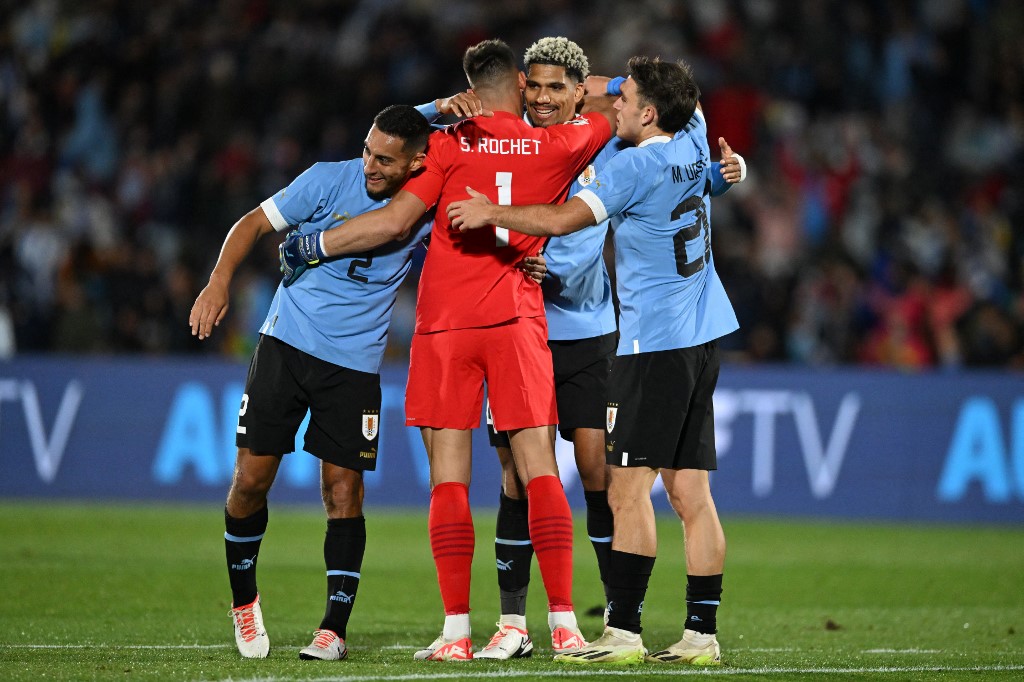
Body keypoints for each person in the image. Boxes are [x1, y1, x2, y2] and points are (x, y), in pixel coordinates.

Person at [279, 39, 616, 661]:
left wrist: (314, 246)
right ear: (521, 82)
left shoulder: (445, 144)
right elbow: (623, 102)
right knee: (540, 468)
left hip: (446, 326)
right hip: (516, 318)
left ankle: (457, 632)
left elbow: (395, 216)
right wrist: (595, 86)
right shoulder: (565, 141)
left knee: (449, 481)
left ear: (468, 85)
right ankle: (564, 623)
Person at [189, 99, 515, 662]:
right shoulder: (325, 180)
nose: (370, 166)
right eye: (368, 151)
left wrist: (526, 257)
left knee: (344, 492)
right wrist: (219, 281)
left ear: (416, 164)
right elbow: (252, 224)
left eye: (386, 160)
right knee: (249, 481)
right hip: (285, 345)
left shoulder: (423, 205)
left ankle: (333, 630)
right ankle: (245, 603)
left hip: (355, 365)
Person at [449, 56, 738, 666]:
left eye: (625, 100)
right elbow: (705, 161)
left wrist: (492, 212)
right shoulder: (691, 132)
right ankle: (701, 637)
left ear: (649, 113)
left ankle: (624, 635)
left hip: (652, 344)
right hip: (707, 331)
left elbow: (562, 219)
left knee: (627, 491)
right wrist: (729, 170)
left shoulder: (632, 166)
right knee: (691, 493)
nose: (615, 106)